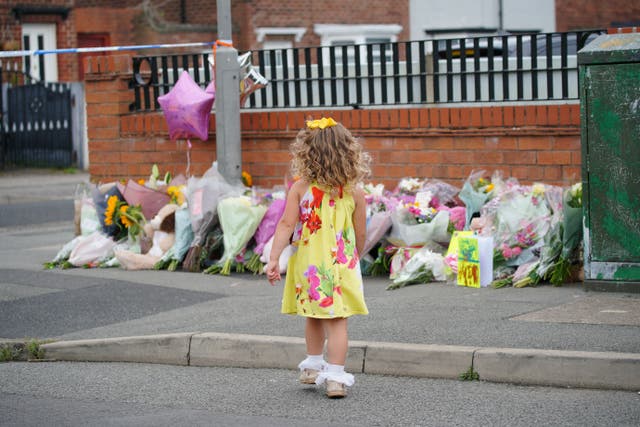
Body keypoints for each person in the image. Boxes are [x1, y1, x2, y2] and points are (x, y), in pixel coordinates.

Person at [265, 117, 371, 398]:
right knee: (337, 321)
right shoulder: (354, 191)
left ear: (307, 154)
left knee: (312, 315)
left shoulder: (300, 188)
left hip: (310, 265)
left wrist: (274, 258)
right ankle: (335, 377)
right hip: (341, 264)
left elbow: (286, 226)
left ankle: (312, 367)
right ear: (348, 152)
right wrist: (354, 258)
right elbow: (360, 233)